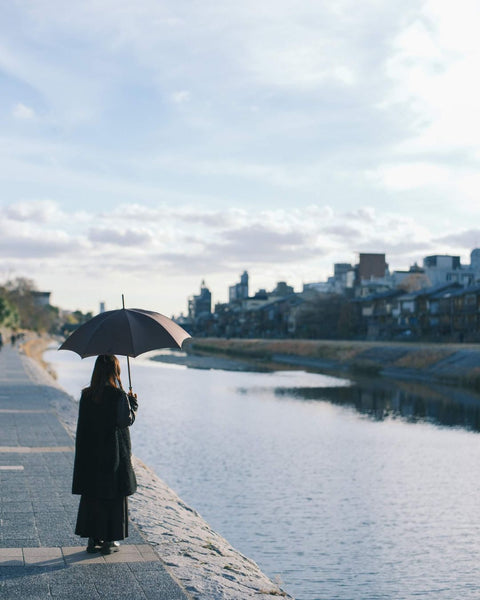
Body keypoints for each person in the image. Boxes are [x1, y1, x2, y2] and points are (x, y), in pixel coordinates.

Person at [72, 354, 138, 554]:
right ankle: (109, 540)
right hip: (113, 454)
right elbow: (124, 422)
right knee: (112, 495)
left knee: (93, 494)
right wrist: (133, 405)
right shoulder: (117, 396)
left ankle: (93, 539)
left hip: (91, 454)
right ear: (115, 371)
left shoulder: (87, 394)